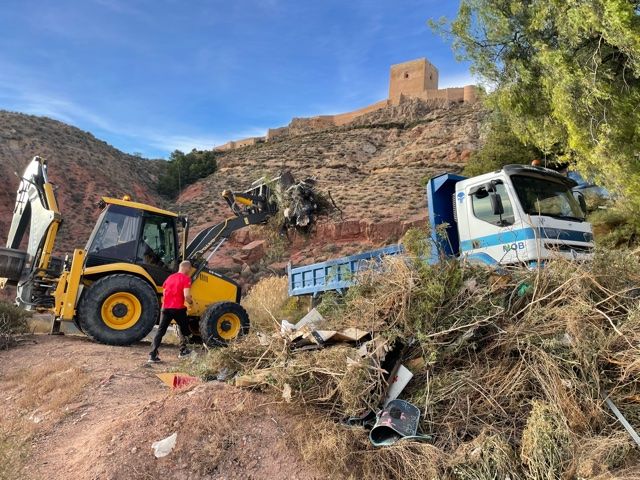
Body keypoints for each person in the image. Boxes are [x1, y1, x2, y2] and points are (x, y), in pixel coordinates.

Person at [148, 260, 193, 363]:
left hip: (165, 308)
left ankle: (152, 355)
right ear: (186, 268)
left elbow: (164, 292)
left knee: (160, 331)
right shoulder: (186, 279)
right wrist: (190, 302)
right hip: (178, 309)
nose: (190, 271)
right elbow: (186, 295)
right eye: (189, 269)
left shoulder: (169, 278)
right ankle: (183, 351)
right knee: (185, 330)